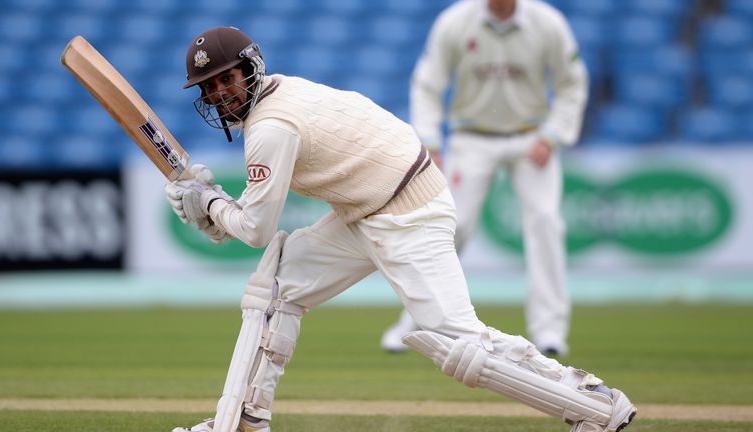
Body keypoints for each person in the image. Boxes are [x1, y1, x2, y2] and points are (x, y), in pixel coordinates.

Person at [166, 26, 634, 432]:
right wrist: (213, 212)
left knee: (459, 344)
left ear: (251, 69)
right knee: (276, 286)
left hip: (407, 213)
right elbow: (250, 220)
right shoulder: (282, 92)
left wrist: (208, 202)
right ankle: (244, 419)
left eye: (226, 78)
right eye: (208, 87)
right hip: (368, 208)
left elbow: (255, 229)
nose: (219, 93)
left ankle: (595, 404)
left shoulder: (271, 125)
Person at [381, 0, 588, 357]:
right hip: (472, 138)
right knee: (452, 228)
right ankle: (416, 320)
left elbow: (573, 83)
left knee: (545, 223)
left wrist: (553, 135)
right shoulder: (456, 21)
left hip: (532, 138)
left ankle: (550, 330)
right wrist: (429, 140)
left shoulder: (547, 22)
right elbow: (427, 84)